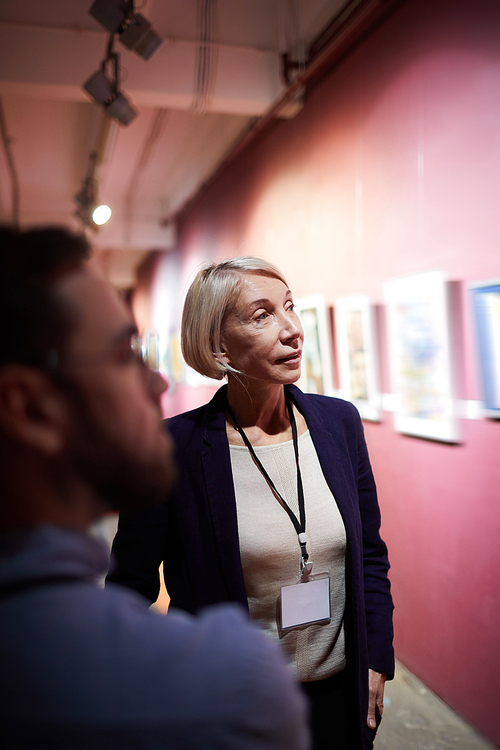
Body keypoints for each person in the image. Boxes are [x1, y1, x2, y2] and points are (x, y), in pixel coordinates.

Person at [0, 230, 309, 750]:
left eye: (290, 308)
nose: (157, 384)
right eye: (124, 355)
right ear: (30, 407)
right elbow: (135, 576)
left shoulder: (334, 424)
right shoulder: (227, 687)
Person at [108, 256, 395, 750]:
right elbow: (127, 592)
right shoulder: (172, 448)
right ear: (218, 344)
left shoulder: (339, 424)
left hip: (338, 699)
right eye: (262, 315)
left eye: (289, 307)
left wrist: (376, 659)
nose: (292, 330)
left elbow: (369, 553)